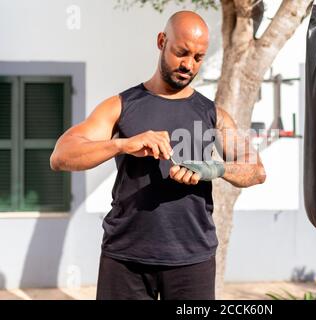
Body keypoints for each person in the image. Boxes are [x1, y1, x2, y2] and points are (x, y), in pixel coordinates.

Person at [50, 10, 266, 300]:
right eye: (182, 52)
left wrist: (214, 169)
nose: (189, 64)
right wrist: (123, 144)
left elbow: (256, 170)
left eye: (198, 58)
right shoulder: (121, 106)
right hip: (125, 258)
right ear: (162, 41)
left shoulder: (213, 114)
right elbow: (61, 156)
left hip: (193, 260)